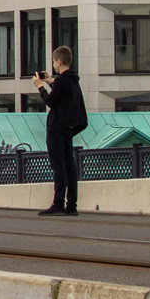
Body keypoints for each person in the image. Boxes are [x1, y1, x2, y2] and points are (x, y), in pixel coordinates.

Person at [32, 45, 89, 216]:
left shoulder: (63, 81)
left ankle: (58, 203)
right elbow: (62, 94)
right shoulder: (72, 80)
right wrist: (50, 82)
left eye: (54, 63)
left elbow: (51, 101)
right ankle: (71, 205)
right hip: (68, 128)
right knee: (69, 166)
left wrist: (40, 86)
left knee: (59, 166)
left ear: (58, 61)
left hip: (56, 128)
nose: (53, 66)